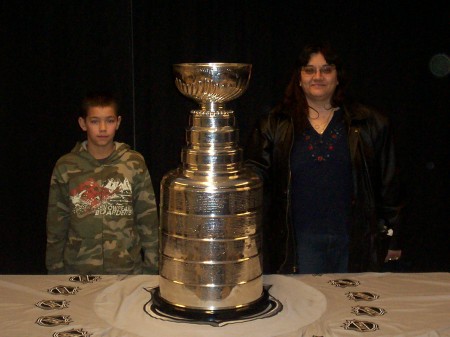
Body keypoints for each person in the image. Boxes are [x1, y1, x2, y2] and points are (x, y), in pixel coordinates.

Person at [246, 42, 403, 274]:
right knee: (308, 308)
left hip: (354, 243)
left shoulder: (372, 124)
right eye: (309, 70)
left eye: (326, 69)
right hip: (297, 246)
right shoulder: (273, 124)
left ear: (338, 77)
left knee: (351, 307)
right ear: (299, 78)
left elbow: (390, 186)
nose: (317, 76)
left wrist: (393, 238)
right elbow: (254, 183)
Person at [46, 92, 158, 274]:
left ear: (118, 122)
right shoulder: (66, 166)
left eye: (110, 120)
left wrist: (152, 269)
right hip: (78, 271)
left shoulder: (133, 163)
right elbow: (56, 225)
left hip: (126, 270)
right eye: (95, 121)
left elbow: (148, 221)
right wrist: (55, 271)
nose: (103, 128)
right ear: (83, 124)